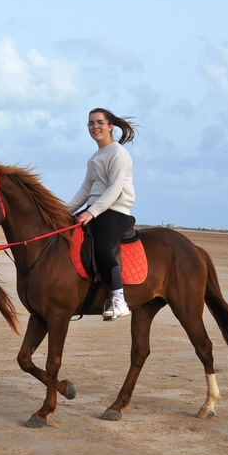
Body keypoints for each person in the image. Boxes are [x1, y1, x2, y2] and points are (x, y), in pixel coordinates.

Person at [67, 108, 137, 320]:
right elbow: (85, 190)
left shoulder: (118, 153)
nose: (94, 127)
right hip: (96, 209)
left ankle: (119, 300)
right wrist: (62, 213)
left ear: (110, 126)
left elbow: (115, 189)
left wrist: (91, 212)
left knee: (102, 249)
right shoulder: (95, 157)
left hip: (115, 210)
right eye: (90, 123)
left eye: (99, 122)